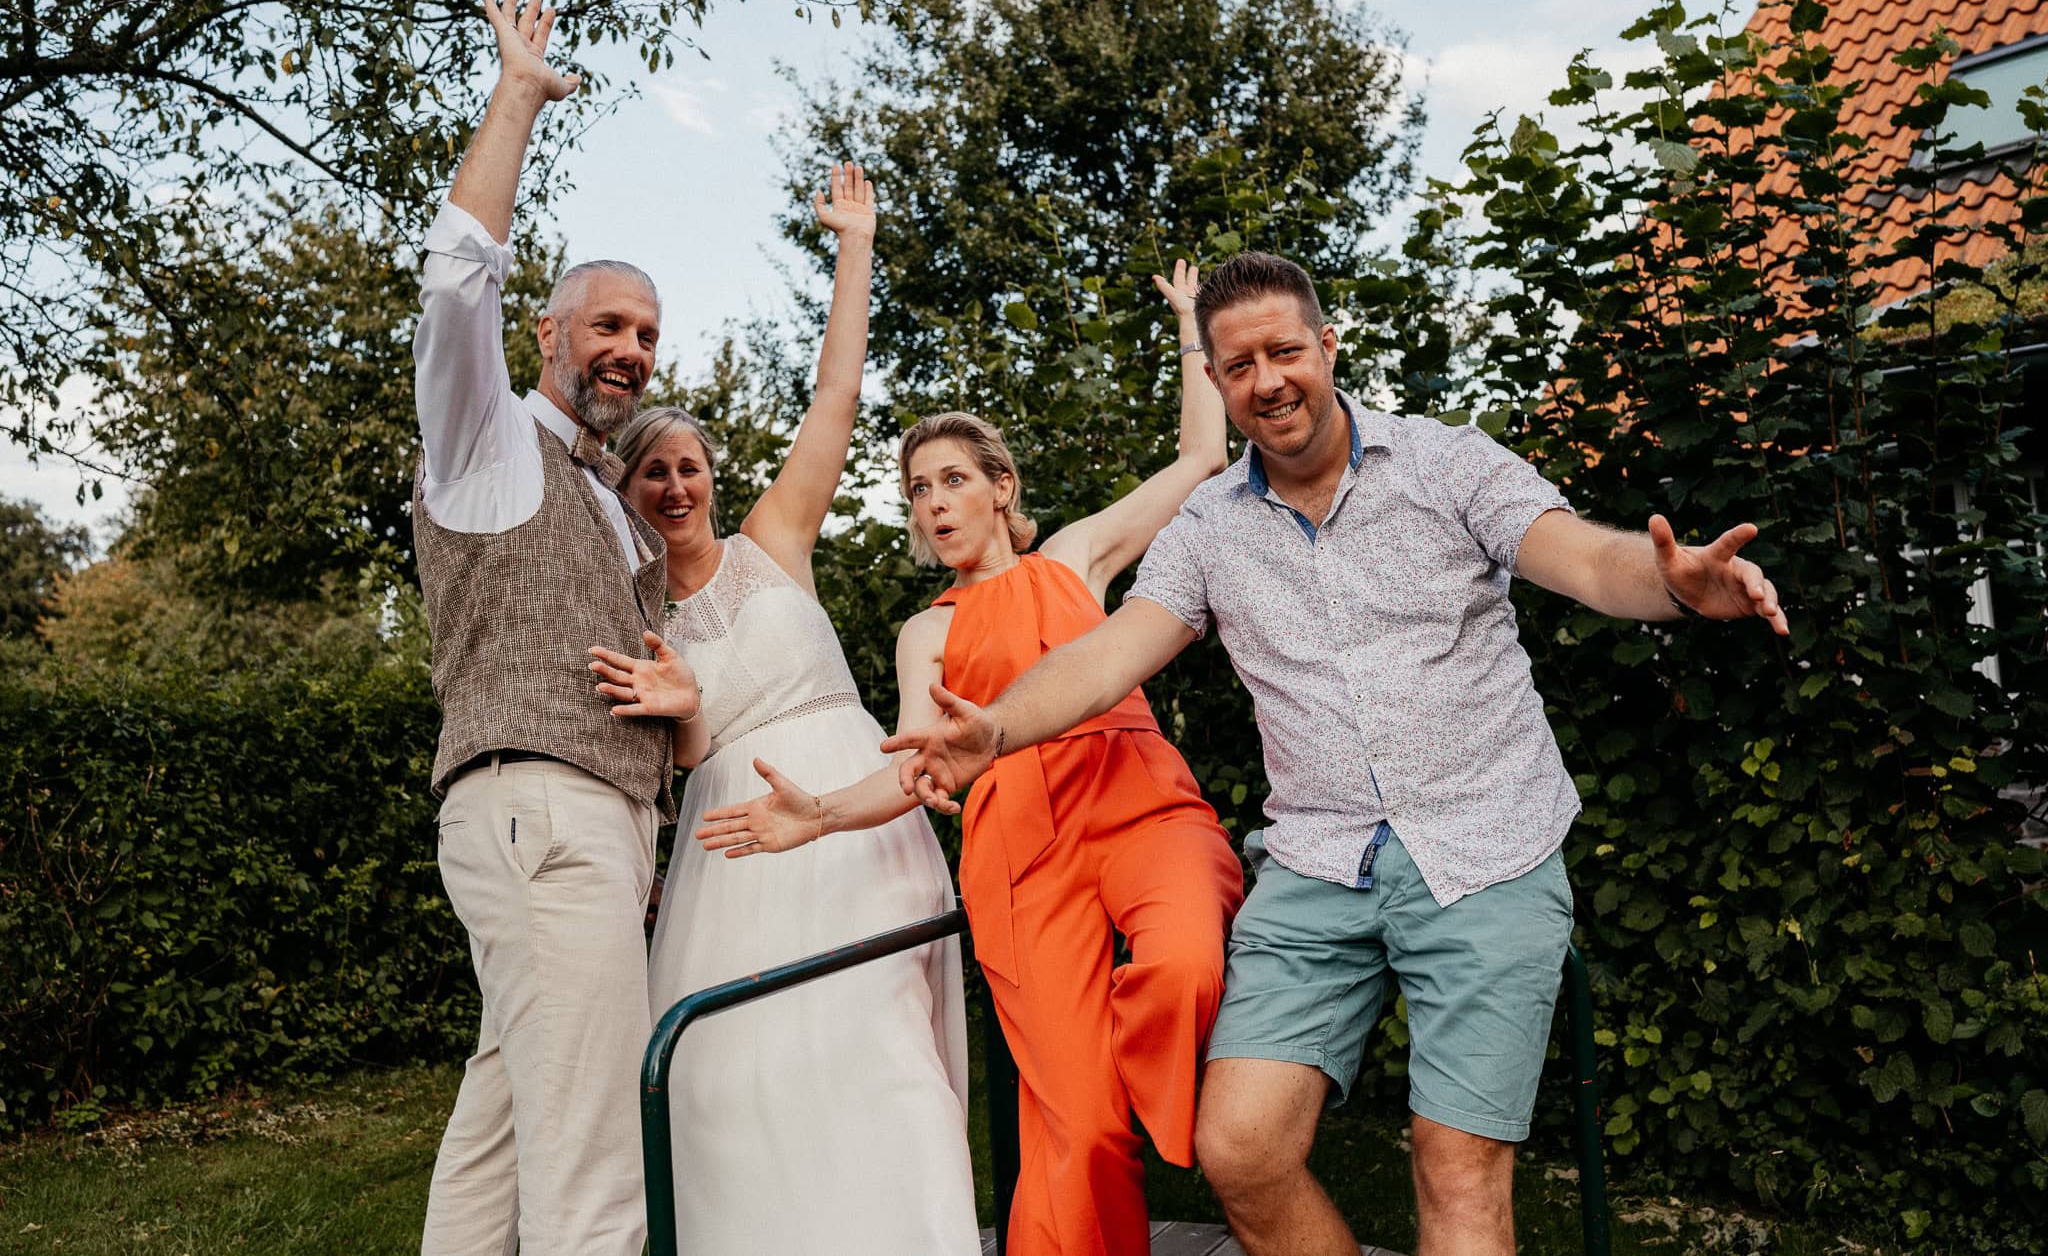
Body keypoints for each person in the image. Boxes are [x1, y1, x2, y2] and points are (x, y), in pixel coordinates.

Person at [885, 250, 1791, 1256]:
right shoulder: (1208, 528)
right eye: (1239, 366)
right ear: (1217, 380)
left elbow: (1583, 556)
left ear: (1326, 344)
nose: (1267, 380)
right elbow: (1106, 656)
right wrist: (995, 728)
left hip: (1484, 847)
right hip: (1319, 866)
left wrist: (1671, 584)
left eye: (1284, 352)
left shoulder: (1445, 464)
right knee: (1239, 1147)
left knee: (1455, 1171)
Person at [692, 262, 1246, 1256]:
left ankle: (1145, 1082)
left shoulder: (1074, 558)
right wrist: (819, 812)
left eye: (954, 479)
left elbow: (1203, 455)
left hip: (1137, 804)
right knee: (1078, 1131)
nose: (936, 503)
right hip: (1022, 858)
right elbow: (914, 764)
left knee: (1184, 961)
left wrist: (1190, 331)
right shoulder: (927, 633)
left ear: (1001, 488)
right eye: (919, 489)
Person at [585, 167, 980, 1254]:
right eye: (651, 473)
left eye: (689, 467)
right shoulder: (631, 615)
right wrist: (684, 713)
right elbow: (680, 755)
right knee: (741, 1075)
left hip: (856, 818)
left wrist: (855, 244)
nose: (675, 486)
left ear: (712, 477)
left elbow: (835, 398)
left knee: (882, 1052)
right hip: (736, 847)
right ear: (624, 492)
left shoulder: (774, 543)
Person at [411, 0, 673, 1256]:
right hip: (539, 811)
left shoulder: (616, 507)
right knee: (593, 1156)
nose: (630, 349)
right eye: (607, 325)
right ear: (547, 331)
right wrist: (517, 92)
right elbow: (457, 277)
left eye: (647, 335)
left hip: (590, 826)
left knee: (506, 1118)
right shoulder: (487, 441)